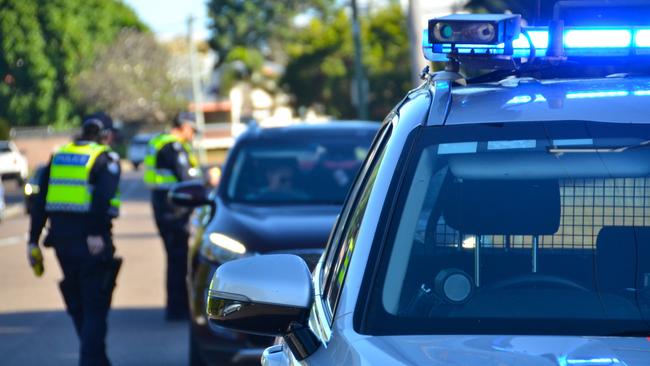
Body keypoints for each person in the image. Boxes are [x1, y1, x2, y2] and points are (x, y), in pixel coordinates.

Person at [28, 112, 121, 366]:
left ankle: (97, 360)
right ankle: (91, 361)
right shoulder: (105, 158)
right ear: (106, 135)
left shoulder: (58, 157)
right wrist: (94, 234)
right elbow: (101, 199)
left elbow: (40, 203)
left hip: (62, 243)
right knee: (95, 307)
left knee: (79, 303)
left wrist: (32, 240)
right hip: (91, 244)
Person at [144, 112, 200, 320]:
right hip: (173, 211)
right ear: (184, 126)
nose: (193, 134)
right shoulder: (173, 147)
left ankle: (176, 306)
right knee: (178, 260)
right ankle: (177, 309)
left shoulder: (159, 142)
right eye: (192, 130)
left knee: (174, 259)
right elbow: (186, 178)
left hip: (163, 206)